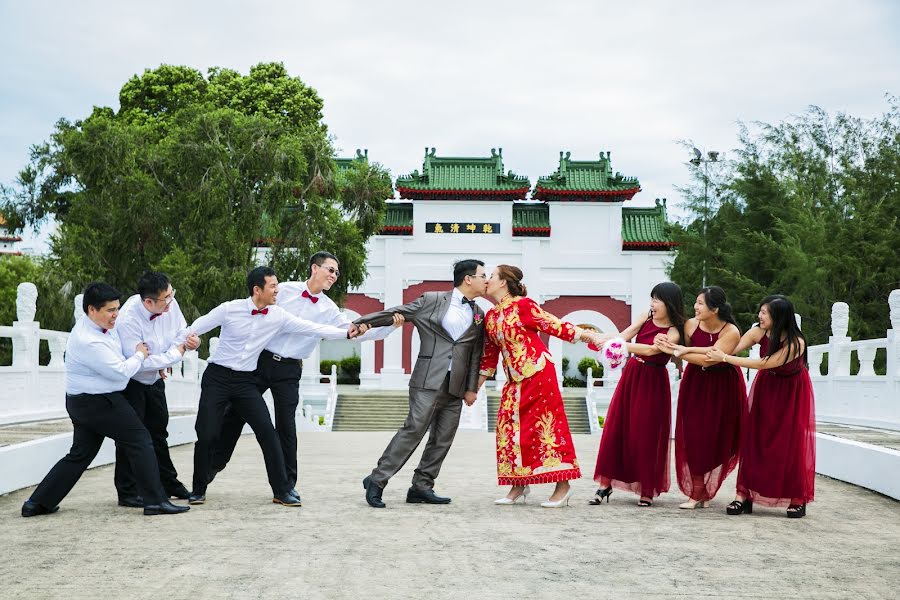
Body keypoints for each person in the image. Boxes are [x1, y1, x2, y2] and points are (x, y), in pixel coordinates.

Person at [209, 251, 399, 494]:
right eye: (331, 270)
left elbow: (354, 333)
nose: (334, 276)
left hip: (289, 370)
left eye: (337, 273)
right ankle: (211, 468)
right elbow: (254, 310)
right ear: (314, 268)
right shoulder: (283, 290)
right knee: (234, 415)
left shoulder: (329, 309)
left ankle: (286, 486)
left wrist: (390, 328)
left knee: (286, 425)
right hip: (260, 361)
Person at [185, 266, 359, 507]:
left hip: (246, 381)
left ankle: (282, 490)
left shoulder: (279, 315)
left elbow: (314, 328)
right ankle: (198, 488)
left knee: (268, 433)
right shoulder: (229, 309)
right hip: (218, 378)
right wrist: (190, 342)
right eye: (273, 287)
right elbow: (195, 328)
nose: (278, 291)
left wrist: (347, 333)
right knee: (207, 433)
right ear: (257, 290)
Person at [21, 282, 189, 517]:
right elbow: (121, 373)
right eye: (110, 310)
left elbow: (121, 353)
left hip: (83, 401)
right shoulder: (89, 341)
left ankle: (37, 503)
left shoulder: (99, 326)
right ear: (92, 310)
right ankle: (155, 501)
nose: (116, 315)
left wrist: (152, 365)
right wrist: (141, 355)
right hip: (97, 403)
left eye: (117, 308)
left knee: (80, 454)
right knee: (141, 440)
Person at [353, 259, 487, 508]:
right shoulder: (432, 300)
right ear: (468, 279)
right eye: (482, 275)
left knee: (443, 438)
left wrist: (471, 388)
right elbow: (398, 312)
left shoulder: (479, 314)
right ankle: (377, 480)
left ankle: (422, 487)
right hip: (427, 379)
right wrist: (363, 322)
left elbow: (475, 354)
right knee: (414, 429)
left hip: (455, 385)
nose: (486, 280)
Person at [476, 265, 595, 508]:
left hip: (539, 373)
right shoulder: (491, 316)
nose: (487, 280)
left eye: (491, 276)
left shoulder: (524, 305)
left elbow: (554, 325)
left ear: (503, 283)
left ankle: (563, 486)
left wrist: (588, 336)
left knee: (548, 428)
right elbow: (489, 357)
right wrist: (474, 389)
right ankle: (518, 485)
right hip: (513, 380)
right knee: (508, 429)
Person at [706, 294, 815, 518]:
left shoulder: (797, 342)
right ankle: (743, 496)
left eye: (764, 312)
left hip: (791, 393)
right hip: (767, 387)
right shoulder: (759, 331)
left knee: (791, 443)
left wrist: (725, 359)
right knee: (754, 438)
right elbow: (732, 348)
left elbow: (763, 363)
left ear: (779, 316)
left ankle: (797, 498)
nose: (760, 316)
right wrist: (710, 349)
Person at [591, 282, 685, 507]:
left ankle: (647, 488)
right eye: (652, 299)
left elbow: (652, 350)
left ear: (669, 303)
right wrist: (608, 341)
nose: (652, 304)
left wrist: (621, 347)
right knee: (617, 427)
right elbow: (626, 335)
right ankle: (605, 485)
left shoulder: (674, 331)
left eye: (657, 300)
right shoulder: (646, 317)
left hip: (653, 380)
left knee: (647, 432)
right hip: (632, 375)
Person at [113, 272, 201, 507]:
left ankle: (168, 482)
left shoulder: (169, 302)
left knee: (159, 432)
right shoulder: (128, 318)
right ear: (148, 302)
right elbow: (139, 360)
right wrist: (174, 355)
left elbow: (182, 334)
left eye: (172, 295)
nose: (171, 302)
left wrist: (187, 345)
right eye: (166, 299)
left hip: (155, 380)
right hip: (131, 382)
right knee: (131, 437)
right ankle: (128, 491)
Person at [656, 286, 746, 508]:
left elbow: (711, 359)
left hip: (724, 387)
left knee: (716, 438)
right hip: (695, 383)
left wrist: (681, 351)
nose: (695, 307)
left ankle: (703, 492)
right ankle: (697, 493)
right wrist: (678, 349)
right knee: (694, 435)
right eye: (695, 302)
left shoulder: (731, 331)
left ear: (714, 308)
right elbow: (697, 355)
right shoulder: (689, 325)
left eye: (700, 304)